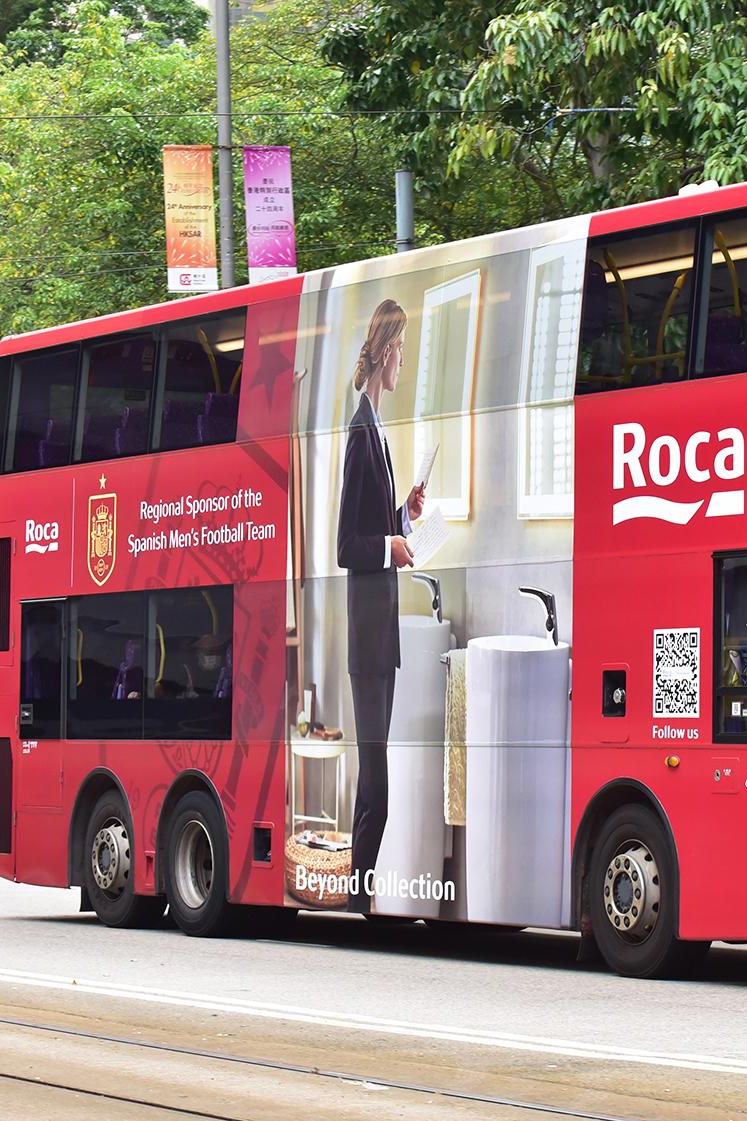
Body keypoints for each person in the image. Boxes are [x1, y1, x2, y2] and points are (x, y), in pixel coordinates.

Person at [337, 298, 425, 912]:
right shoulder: (358, 430)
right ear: (387, 350)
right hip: (369, 634)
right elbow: (346, 543)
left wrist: (404, 516)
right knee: (377, 777)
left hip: (380, 633)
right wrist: (389, 546)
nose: (404, 363)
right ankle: (358, 895)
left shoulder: (378, 426)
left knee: (376, 771)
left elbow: (373, 523)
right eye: (401, 352)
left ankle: (357, 894)